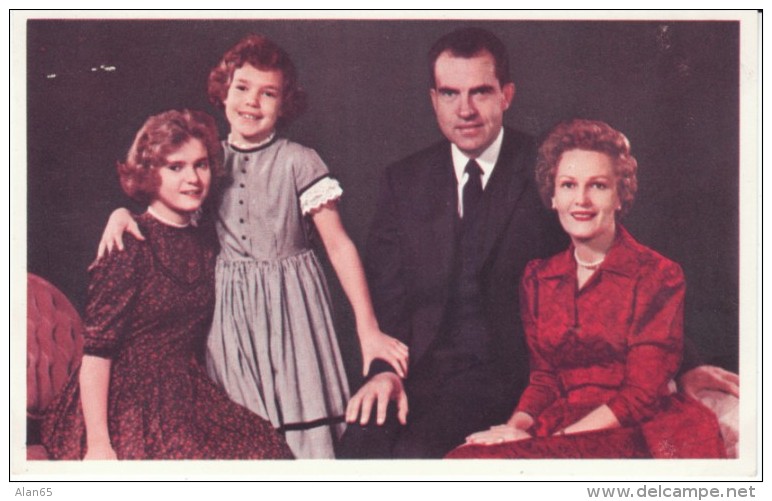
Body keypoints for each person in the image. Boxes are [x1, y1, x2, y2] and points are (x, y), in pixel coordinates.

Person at [340, 28, 737, 459]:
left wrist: (686, 362)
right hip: (419, 374)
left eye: (481, 92)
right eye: (450, 94)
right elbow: (389, 296)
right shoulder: (404, 181)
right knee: (356, 450)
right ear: (433, 98)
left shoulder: (553, 169)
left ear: (506, 95)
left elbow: (617, 260)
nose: (465, 110)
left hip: (511, 380)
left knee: (417, 458)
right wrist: (383, 373)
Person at [95, 35, 408, 459]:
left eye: (268, 93)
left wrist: (367, 328)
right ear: (223, 92)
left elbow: (339, 247)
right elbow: (170, 213)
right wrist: (123, 215)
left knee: (306, 441)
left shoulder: (300, 160)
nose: (252, 102)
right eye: (242, 88)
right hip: (229, 319)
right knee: (246, 436)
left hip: (294, 313)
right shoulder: (207, 161)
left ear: (285, 103)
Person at [446, 119, 727, 459]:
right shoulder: (538, 278)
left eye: (597, 186)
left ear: (620, 196)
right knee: (466, 460)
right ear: (552, 197)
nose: (580, 200)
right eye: (568, 185)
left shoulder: (658, 275)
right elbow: (544, 380)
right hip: (562, 424)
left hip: (635, 431)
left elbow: (640, 395)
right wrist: (516, 428)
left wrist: (556, 440)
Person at [41, 109, 293, 460]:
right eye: (175, 167)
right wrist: (99, 444)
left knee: (266, 449)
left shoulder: (206, 240)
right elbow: (96, 354)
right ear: (148, 174)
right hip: (121, 397)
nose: (193, 178)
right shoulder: (127, 243)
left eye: (201, 165)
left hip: (185, 389)